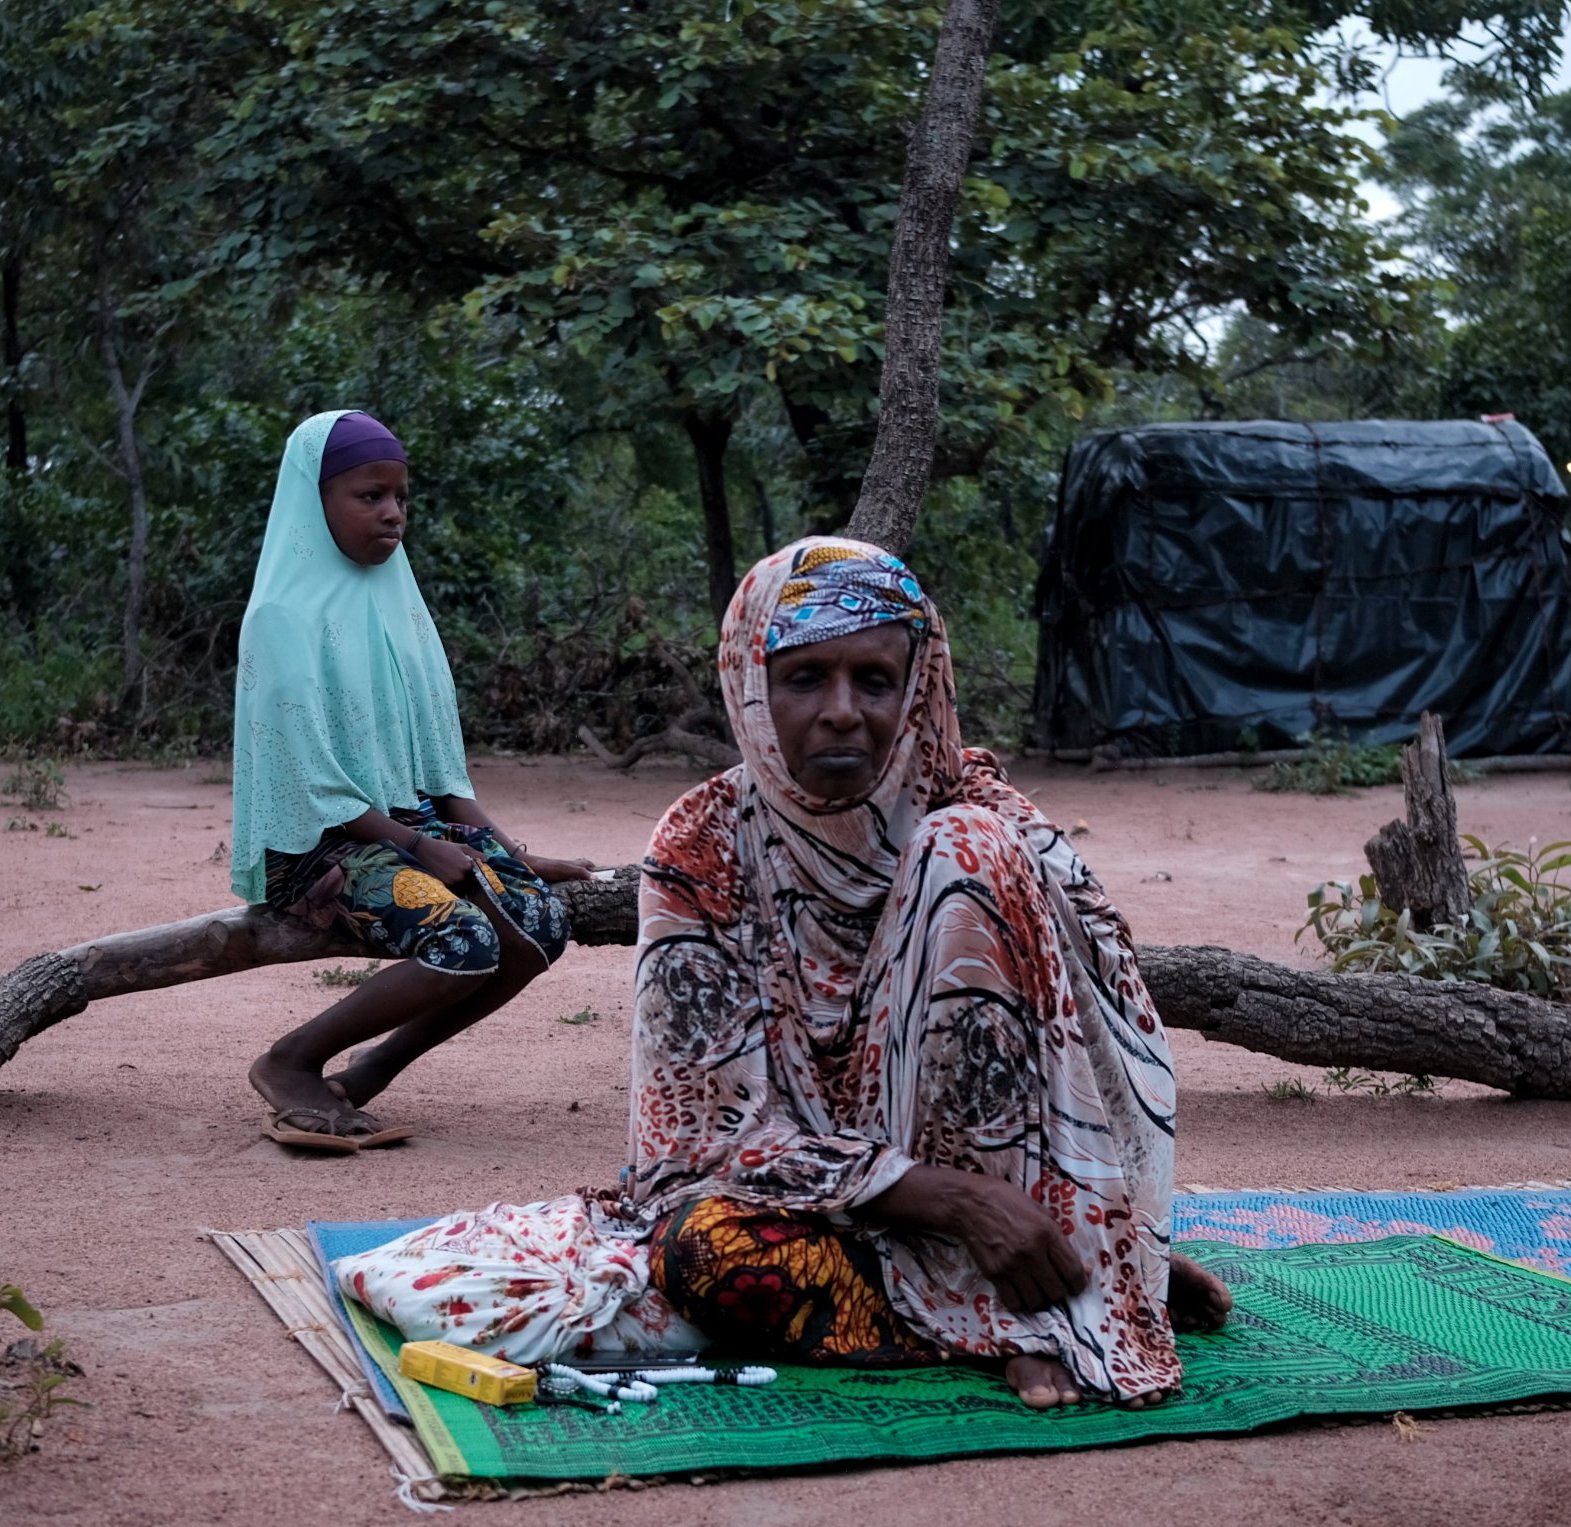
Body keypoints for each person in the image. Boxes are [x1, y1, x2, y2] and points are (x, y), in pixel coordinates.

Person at [629, 538, 1230, 1407]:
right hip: (832, 1198)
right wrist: (950, 1204)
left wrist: (1095, 1210)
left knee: (968, 855)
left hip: (1020, 1184)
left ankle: (1068, 1266)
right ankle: (1038, 1287)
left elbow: (1107, 1047)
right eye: (805, 680)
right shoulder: (700, 846)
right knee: (704, 1254)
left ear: (915, 688)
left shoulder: (981, 818)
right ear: (751, 685)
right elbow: (705, 1142)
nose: (842, 711)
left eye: (873, 680)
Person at [231, 410, 589, 1152]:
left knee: (541, 923)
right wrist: (418, 847)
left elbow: (440, 772)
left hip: (407, 834)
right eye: (369, 496)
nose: (392, 513)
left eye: (400, 496)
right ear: (316, 501)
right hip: (316, 850)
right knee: (462, 937)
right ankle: (290, 1061)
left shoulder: (399, 604)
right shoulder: (280, 615)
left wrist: (506, 851)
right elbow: (309, 780)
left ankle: (370, 1072)